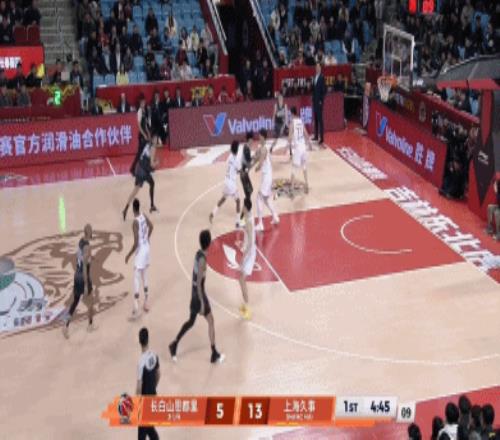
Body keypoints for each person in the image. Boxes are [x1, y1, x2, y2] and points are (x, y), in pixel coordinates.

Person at [168, 230, 224, 364]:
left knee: (191, 322)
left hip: (194, 293)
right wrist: (202, 303)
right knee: (211, 320)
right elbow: (199, 283)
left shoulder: (198, 254)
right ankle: (214, 353)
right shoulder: (203, 260)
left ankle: (174, 344)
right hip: (198, 294)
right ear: (209, 243)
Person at [63, 224, 96, 338]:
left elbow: (82, 258)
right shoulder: (87, 247)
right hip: (83, 277)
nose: (92, 232)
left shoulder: (81, 241)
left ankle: (66, 325)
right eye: (91, 230)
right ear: (88, 232)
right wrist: (86, 285)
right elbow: (85, 267)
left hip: (76, 276)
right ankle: (90, 325)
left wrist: (90, 257)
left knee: (75, 302)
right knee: (91, 301)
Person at [125, 199, 154, 317]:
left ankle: (136, 306)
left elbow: (136, 242)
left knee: (137, 277)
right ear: (139, 207)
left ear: (133, 209)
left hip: (141, 251)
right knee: (145, 275)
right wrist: (147, 238)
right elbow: (151, 226)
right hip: (147, 247)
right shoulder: (144, 215)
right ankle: (146, 302)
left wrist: (129, 254)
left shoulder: (135, 222)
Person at [123, 135, 160, 220]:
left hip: (139, 167)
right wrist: (157, 163)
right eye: (156, 139)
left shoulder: (148, 144)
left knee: (136, 190)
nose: (157, 140)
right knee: (152, 183)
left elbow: (147, 159)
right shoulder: (153, 148)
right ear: (153, 140)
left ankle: (125, 209)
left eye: (157, 139)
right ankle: (152, 206)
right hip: (143, 170)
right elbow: (152, 165)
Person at [209, 140, 241, 227]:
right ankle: (238, 222)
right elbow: (239, 171)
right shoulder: (237, 159)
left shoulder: (230, 156)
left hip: (226, 181)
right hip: (231, 184)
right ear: (237, 149)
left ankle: (212, 213)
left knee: (223, 199)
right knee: (238, 201)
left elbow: (234, 168)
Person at [136, 327, 160, 440]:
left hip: (144, 402)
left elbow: (139, 386)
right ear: (148, 339)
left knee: (141, 433)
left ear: (139, 341)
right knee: (149, 428)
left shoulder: (141, 362)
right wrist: (153, 387)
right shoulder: (154, 355)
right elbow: (158, 374)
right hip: (153, 396)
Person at [254, 129, 279, 231]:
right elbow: (256, 157)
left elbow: (260, 163)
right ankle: (275, 217)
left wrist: (256, 168)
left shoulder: (264, 149)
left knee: (259, 198)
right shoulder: (261, 147)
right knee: (266, 199)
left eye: (260, 136)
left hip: (267, 177)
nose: (259, 137)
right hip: (267, 176)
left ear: (263, 137)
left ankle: (260, 224)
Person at [238, 198, 255, 320]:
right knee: (241, 279)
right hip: (249, 251)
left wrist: (243, 257)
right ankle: (245, 305)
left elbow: (251, 243)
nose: (242, 207)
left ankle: (247, 308)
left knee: (242, 279)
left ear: (245, 207)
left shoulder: (249, 222)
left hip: (249, 253)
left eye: (243, 206)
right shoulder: (249, 216)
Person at [289, 106, 311, 196]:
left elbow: (289, 138)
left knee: (294, 168)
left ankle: (291, 189)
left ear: (291, 113)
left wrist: (289, 146)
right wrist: (309, 144)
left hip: (298, 149)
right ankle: (307, 184)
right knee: (304, 167)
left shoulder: (292, 123)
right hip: (303, 147)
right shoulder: (301, 121)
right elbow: (306, 134)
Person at [130, 95, 150, 176]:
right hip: (142, 136)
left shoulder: (144, 111)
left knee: (147, 152)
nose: (143, 104)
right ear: (140, 103)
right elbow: (139, 126)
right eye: (142, 103)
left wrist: (148, 133)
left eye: (144, 102)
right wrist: (144, 135)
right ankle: (132, 169)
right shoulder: (139, 111)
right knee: (139, 154)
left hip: (145, 134)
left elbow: (145, 125)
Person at [312, 62, 326, 145]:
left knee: (320, 120)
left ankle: (322, 138)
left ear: (320, 68)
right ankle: (316, 135)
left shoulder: (322, 77)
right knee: (316, 119)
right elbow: (314, 90)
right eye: (316, 67)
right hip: (314, 101)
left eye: (318, 67)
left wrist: (321, 100)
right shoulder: (315, 77)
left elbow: (323, 90)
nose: (317, 68)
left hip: (319, 102)